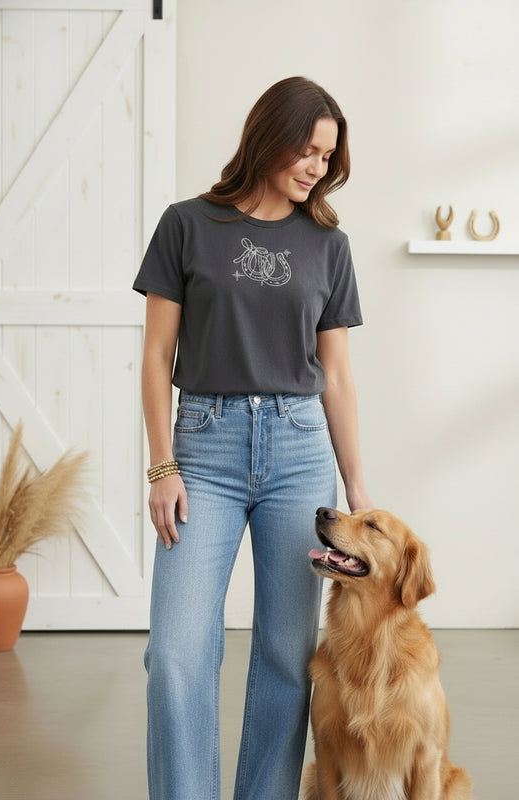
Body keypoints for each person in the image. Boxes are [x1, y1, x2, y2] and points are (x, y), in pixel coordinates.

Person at [133, 76, 373, 800]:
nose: (314, 167)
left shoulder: (327, 244)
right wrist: (160, 467)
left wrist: (357, 486)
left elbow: (334, 375)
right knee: (175, 654)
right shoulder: (187, 224)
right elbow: (154, 357)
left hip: (300, 453)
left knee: (285, 651)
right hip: (202, 449)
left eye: (326, 157)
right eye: (306, 149)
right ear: (267, 136)